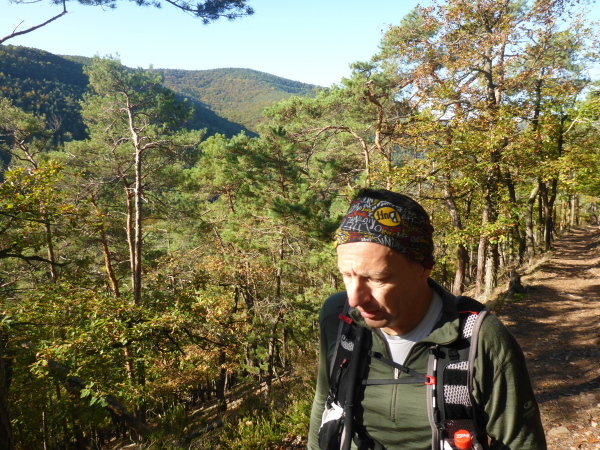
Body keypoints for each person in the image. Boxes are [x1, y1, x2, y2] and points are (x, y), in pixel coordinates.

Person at [308, 188, 546, 450]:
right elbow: (324, 403)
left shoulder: (479, 338)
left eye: (377, 279)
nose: (354, 299)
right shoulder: (339, 319)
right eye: (346, 275)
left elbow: (521, 442)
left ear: (423, 268)